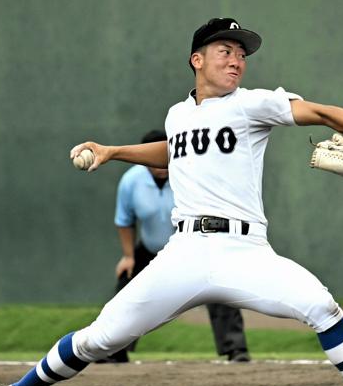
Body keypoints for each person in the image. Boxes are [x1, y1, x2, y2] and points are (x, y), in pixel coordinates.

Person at [0, 17, 343, 386]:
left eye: (241, 53)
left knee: (321, 305)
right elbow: (173, 150)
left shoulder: (253, 104)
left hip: (245, 250)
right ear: (197, 59)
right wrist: (112, 151)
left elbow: (320, 112)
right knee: (100, 338)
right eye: (225, 51)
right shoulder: (178, 114)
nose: (236, 60)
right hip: (184, 252)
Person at [102, 128, 250, 364]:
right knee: (126, 289)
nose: (160, 163)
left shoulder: (191, 177)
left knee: (220, 285)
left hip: (193, 247)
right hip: (150, 249)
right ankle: (112, 351)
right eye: (154, 156)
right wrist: (128, 256)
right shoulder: (130, 181)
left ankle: (236, 349)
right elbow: (124, 220)